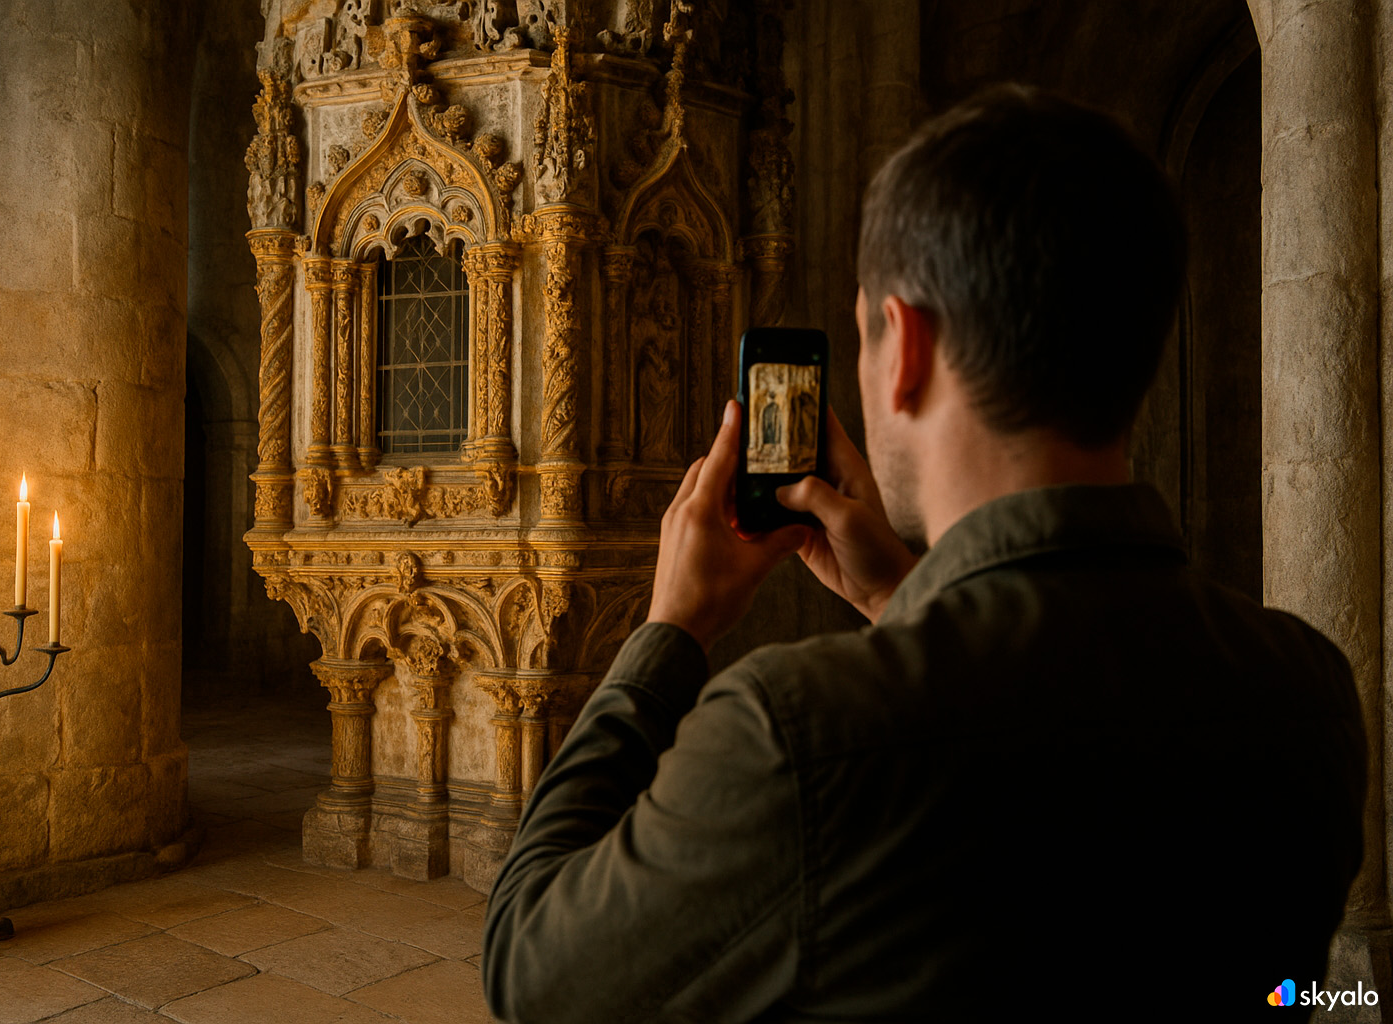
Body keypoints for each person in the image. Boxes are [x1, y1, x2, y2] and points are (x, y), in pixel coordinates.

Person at [481, 85, 1367, 1021]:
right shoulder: (1305, 691)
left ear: (902, 347)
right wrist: (906, 598)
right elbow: (1286, 991)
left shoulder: (802, 732)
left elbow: (532, 971)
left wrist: (670, 633)